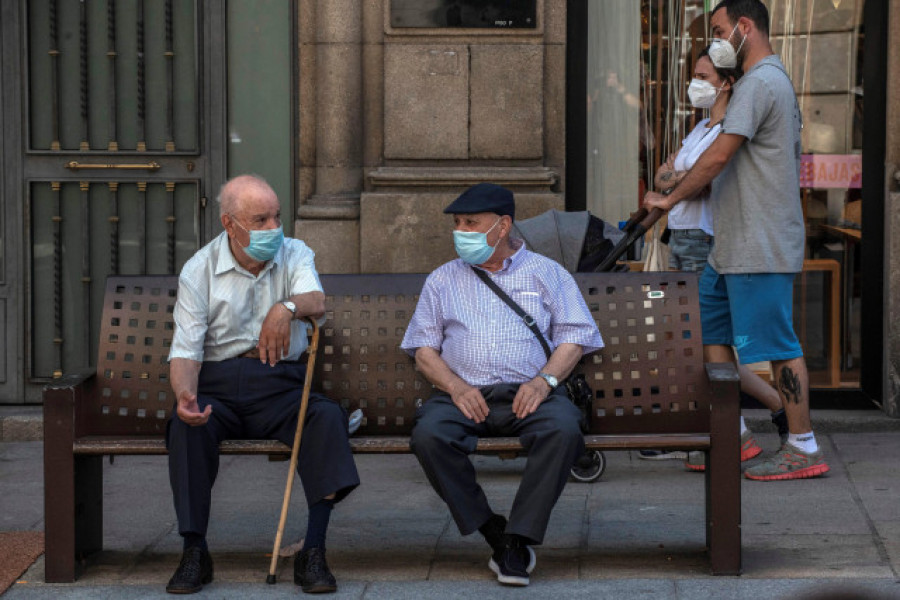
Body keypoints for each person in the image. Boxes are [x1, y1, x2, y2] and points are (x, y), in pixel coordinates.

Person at [644, 0, 829, 481]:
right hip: (732, 246)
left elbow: (717, 159)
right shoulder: (760, 84)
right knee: (709, 337)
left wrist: (669, 199)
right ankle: (734, 435)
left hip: (759, 243)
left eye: (722, 31)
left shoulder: (760, 83)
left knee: (779, 345)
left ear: (745, 28)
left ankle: (803, 446)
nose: (718, 40)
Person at [165, 175, 360, 594]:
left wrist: (284, 308)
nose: (274, 228)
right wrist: (185, 395)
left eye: (276, 216)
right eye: (260, 219)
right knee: (186, 426)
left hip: (279, 385)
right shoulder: (199, 269)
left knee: (324, 418)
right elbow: (185, 348)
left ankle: (313, 551)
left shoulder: (295, 253)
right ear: (229, 224)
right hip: (218, 384)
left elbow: (316, 301)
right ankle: (194, 550)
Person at [402, 183, 604, 586]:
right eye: (458, 223)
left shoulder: (547, 272)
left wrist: (545, 382)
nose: (461, 231)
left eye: (471, 223)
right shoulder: (443, 280)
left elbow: (575, 336)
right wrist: (456, 387)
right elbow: (423, 350)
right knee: (428, 436)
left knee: (563, 430)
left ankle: (520, 536)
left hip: (530, 393)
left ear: (503, 225)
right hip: (463, 394)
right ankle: (493, 531)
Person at [640, 46, 790, 470]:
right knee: (697, 343)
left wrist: (679, 180)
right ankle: (773, 407)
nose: (696, 84)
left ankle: (725, 432)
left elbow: (705, 179)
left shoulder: (729, 130)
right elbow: (665, 174)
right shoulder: (700, 128)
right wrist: (679, 178)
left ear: (726, 82)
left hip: (705, 238)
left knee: (695, 343)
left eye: (704, 76)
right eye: (695, 75)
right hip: (682, 235)